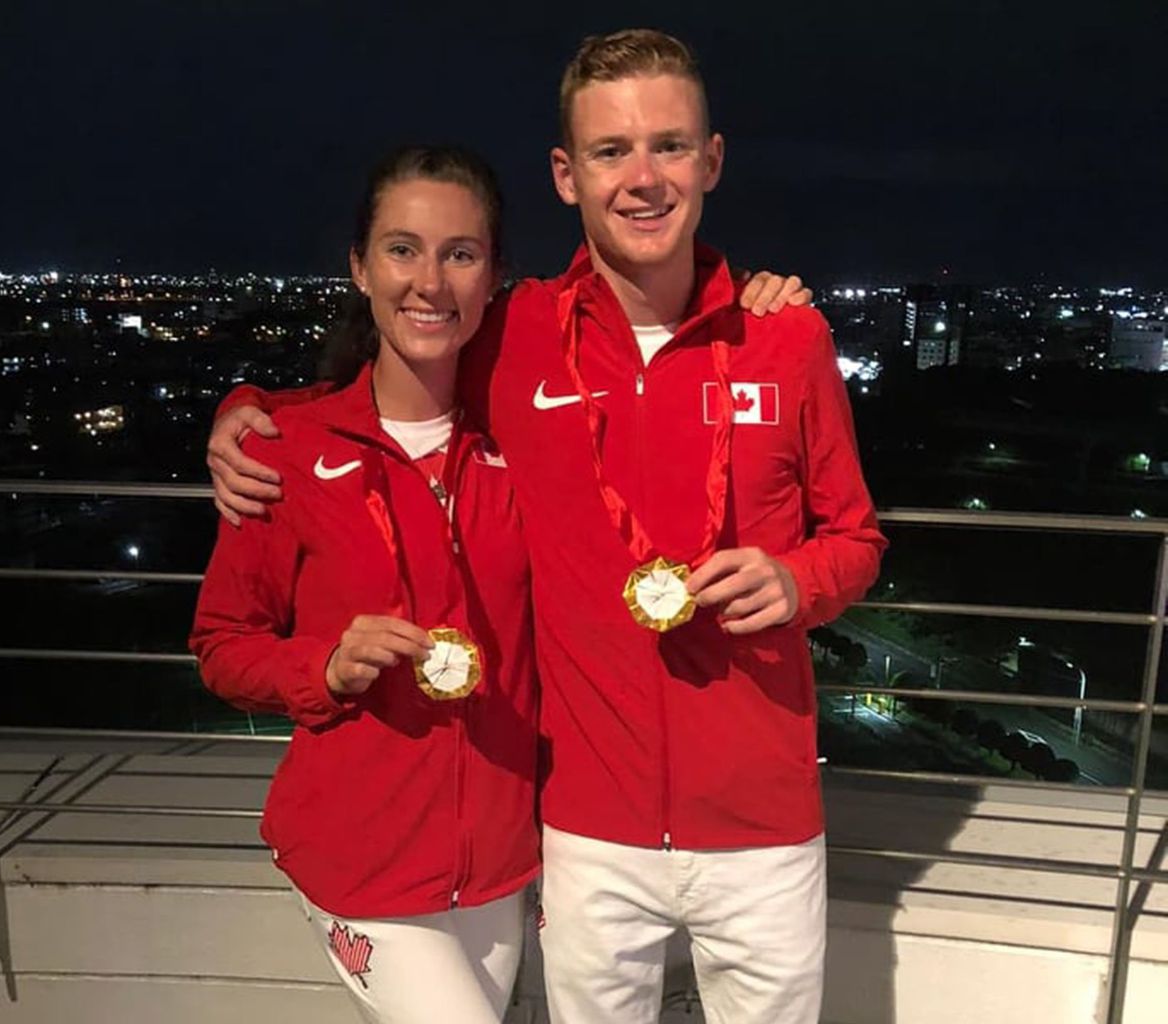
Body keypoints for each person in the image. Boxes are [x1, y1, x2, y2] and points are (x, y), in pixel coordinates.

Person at [208, 29, 885, 1024]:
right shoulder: (519, 333)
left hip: (761, 825)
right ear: (567, 175)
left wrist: (800, 583)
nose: (641, 177)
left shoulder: (783, 337)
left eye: (667, 145)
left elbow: (856, 539)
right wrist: (242, 407)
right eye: (611, 151)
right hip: (584, 829)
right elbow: (387, 374)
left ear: (711, 159)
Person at [190, 146, 539, 1024]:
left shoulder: (528, 449)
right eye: (402, 249)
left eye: (461, 253)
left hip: (502, 857)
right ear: (359, 265)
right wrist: (325, 671)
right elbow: (223, 646)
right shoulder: (283, 452)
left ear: (495, 276)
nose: (430, 280)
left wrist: (755, 300)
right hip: (361, 862)